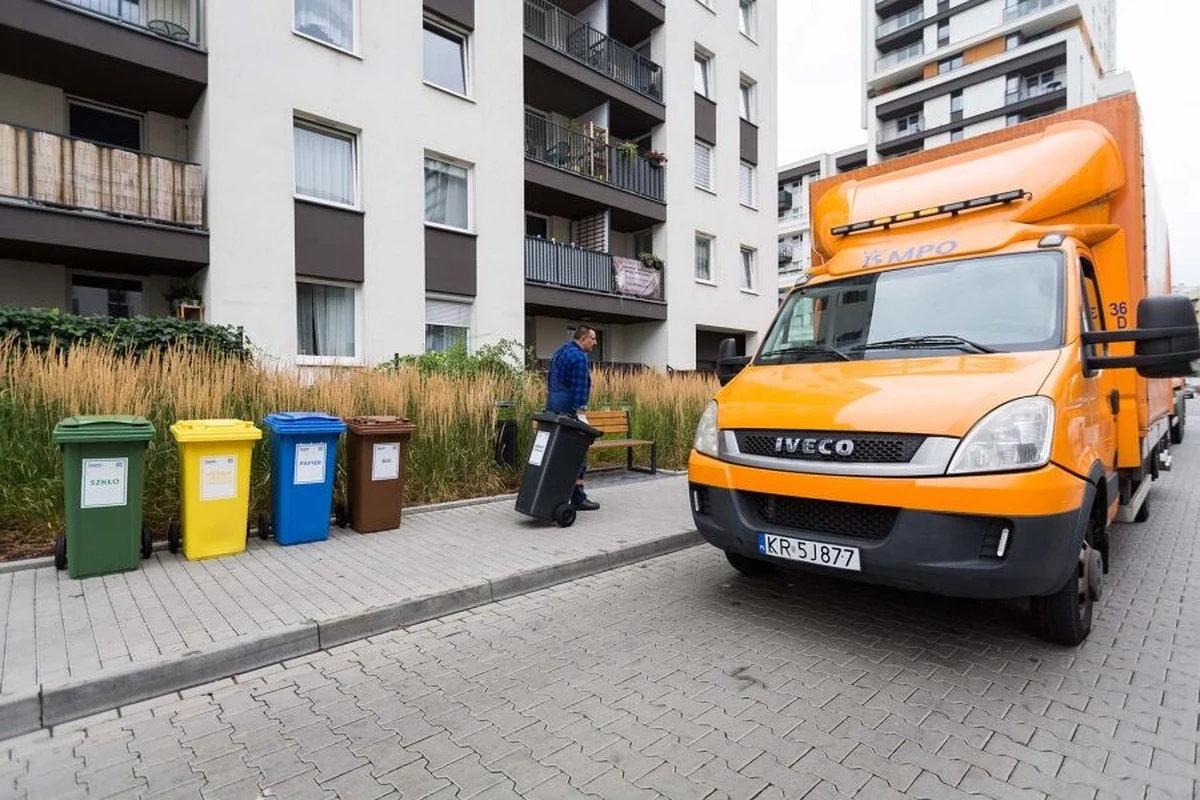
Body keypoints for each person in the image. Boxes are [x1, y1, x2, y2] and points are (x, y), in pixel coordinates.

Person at [546, 326, 599, 511]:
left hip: (553, 409)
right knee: (578, 457)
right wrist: (581, 415)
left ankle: (553, 495)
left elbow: (550, 381)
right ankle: (578, 497)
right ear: (583, 339)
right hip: (569, 412)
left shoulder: (560, 352)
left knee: (556, 455)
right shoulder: (579, 358)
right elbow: (580, 387)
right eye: (593, 339)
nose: (595, 343)